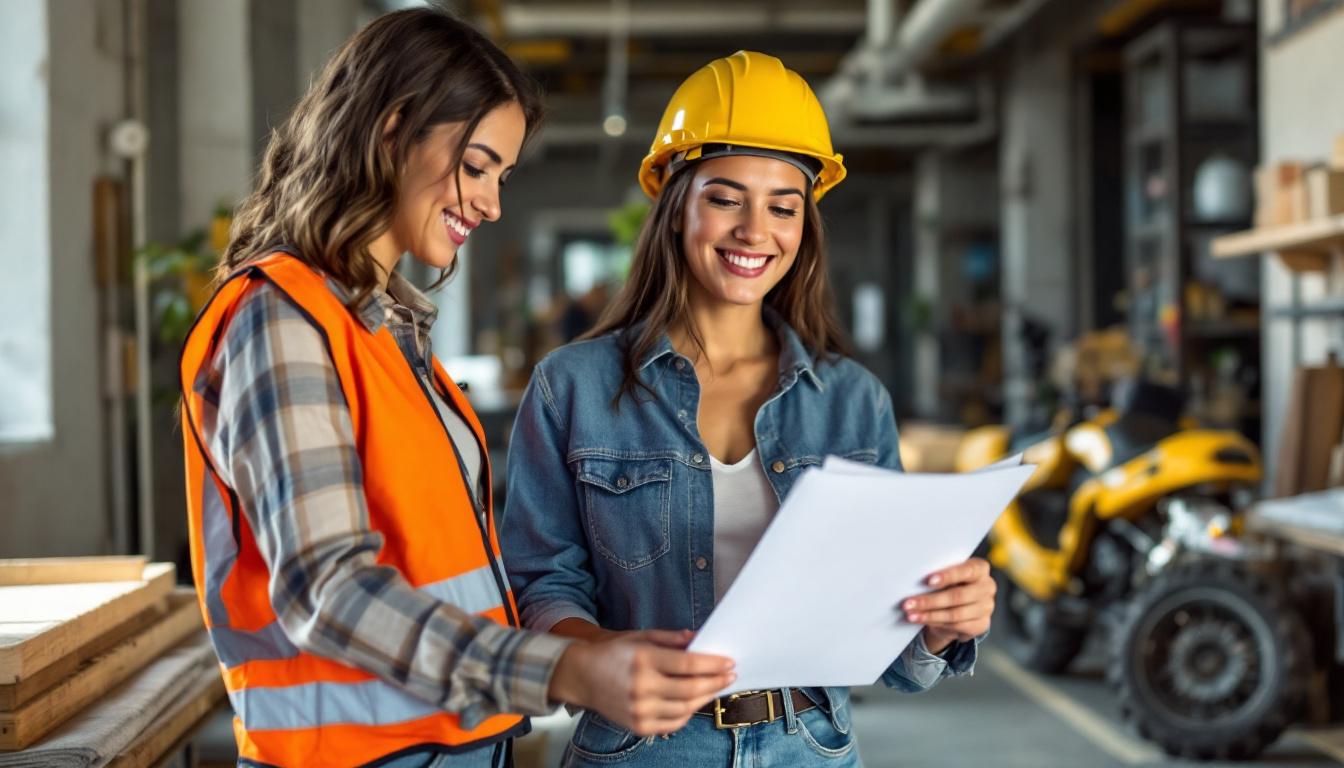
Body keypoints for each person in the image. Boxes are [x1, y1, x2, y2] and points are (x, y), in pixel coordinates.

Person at [177, 9, 733, 768]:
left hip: (449, 744)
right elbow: (327, 594)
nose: (492, 203)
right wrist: (563, 669)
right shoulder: (283, 320)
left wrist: (586, 648)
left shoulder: (385, 330)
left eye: (500, 177)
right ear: (392, 131)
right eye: (476, 167)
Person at [502, 51, 996, 767]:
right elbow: (541, 584)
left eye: (783, 206)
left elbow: (893, 656)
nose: (754, 230)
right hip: (641, 750)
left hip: (813, 747)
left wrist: (943, 625)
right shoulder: (572, 387)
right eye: (725, 198)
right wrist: (604, 659)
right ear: (677, 207)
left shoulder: (853, 401)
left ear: (805, 224)